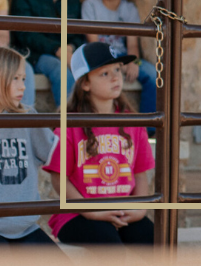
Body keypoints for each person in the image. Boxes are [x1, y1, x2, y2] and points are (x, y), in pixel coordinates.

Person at [44, 42, 154, 248]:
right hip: (77, 213)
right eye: (105, 73)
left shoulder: (133, 122)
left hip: (121, 210)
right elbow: (58, 178)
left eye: (117, 70)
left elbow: (140, 174)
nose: (115, 77)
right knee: (111, 249)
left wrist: (139, 209)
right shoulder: (70, 125)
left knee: (159, 243)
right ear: (85, 84)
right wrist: (92, 211)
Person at [0, 47, 66, 255]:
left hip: (26, 227)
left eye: (24, 79)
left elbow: (56, 154)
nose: (22, 86)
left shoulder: (28, 117)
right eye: (15, 79)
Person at [80, 0, 157, 124]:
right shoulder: (91, 5)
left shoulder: (129, 9)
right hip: (98, 55)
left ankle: (148, 128)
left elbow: (132, 44)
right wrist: (115, 65)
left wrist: (133, 61)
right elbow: (93, 42)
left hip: (122, 56)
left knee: (152, 74)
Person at [10, 0, 85, 109]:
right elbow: (25, 34)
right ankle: (68, 122)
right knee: (59, 69)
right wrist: (57, 49)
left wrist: (70, 48)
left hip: (67, 55)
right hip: (34, 56)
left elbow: (79, 34)